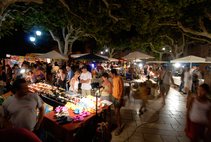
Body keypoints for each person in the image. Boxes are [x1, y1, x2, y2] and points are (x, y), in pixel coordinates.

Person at [110, 69, 124, 136]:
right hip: (114, 97)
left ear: (114, 74)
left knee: (117, 112)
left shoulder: (119, 78)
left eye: (110, 74)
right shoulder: (113, 79)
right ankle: (117, 123)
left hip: (118, 98)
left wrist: (120, 98)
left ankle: (119, 128)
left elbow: (122, 89)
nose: (110, 75)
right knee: (116, 111)